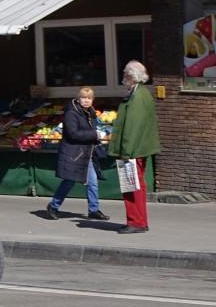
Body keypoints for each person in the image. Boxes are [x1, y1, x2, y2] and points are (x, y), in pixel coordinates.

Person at [108, 60, 160, 235]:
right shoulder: (141, 93)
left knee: (131, 187)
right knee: (137, 186)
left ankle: (136, 222)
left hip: (132, 150)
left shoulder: (137, 96)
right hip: (138, 148)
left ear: (132, 76)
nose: (124, 76)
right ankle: (140, 221)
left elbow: (132, 127)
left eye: (125, 73)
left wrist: (126, 152)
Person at [38, 86, 107, 221]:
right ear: (78, 98)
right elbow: (73, 134)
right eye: (84, 98)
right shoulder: (71, 113)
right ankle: (53, 206)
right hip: (74, 153)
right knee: (69, 181)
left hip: (87, 153)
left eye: (89, 98)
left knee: (92, 182)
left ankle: (93, 210)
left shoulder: (91, 113)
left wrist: (97, 135)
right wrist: (95, 134)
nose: (86, 100)